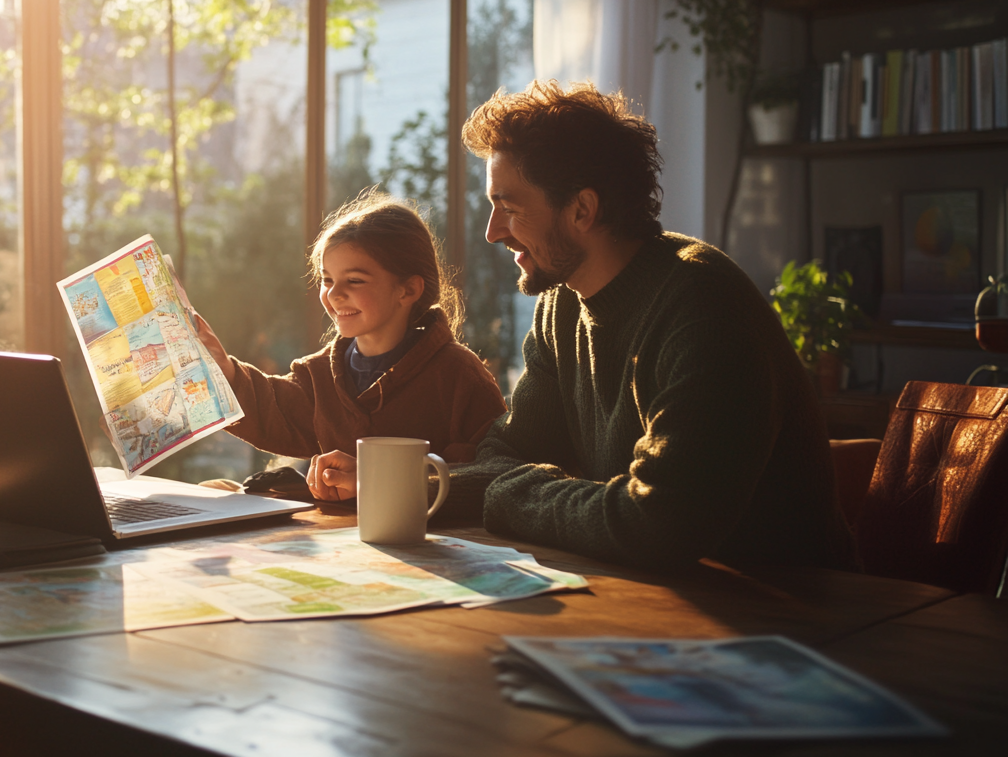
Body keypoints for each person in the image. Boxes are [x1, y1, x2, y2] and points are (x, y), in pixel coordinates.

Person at [385, 79, 852, 569]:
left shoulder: (703, 306)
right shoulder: (561, 306)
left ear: (582, 209)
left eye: (509, 207)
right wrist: (424, 486)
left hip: (790, 615)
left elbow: (659, 522)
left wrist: (508, 494)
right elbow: (505, 450)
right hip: (656, 602)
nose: (492, 231)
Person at [195, 189, 507, 501]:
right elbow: (271, 410)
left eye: (354, 280)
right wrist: (225, 372)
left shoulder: (459, 375)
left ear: (408, 289)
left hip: (428, 543)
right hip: (336, 540)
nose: (333, 294)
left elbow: (490, 476)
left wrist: (376, 481)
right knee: (215, 489)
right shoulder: (319, 375)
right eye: (327, 280)